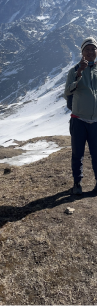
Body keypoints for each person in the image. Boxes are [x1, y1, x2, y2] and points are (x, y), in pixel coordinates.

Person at [65, 37, 97, 195]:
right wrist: (79, 74)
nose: (91, 52)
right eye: (87, 49)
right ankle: (77, 183)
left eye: (93, 49)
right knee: (78, 153)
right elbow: (67, 92)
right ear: (82, 52)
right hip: (78, 119)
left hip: (96, 121)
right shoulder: (74, 70)